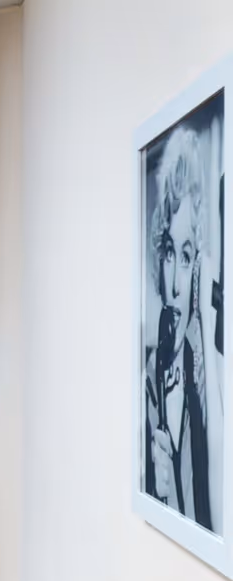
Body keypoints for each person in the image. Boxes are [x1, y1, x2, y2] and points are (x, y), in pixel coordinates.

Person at [144, 123, 223, 531]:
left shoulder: (208, 376)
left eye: (187, 256)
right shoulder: (151, 376)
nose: (174, 286)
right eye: (169, 253)